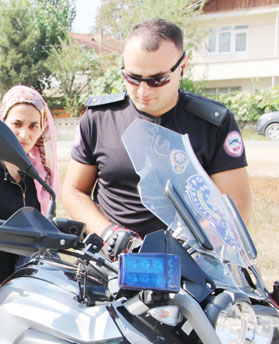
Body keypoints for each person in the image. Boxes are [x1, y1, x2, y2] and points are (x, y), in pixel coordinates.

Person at [62, 18, 253, 258]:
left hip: (189, 264)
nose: (143, 91)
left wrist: (190, 245)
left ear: (182, 65)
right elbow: (73, 191)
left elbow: (236, 205)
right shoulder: (100, 118)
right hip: (111, 260)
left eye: (157, 80)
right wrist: (109, 233)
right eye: (132, 78)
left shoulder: (213, 123)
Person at [0, 85, 59, 284]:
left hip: (26, 282)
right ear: (2, 123)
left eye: (33, 126)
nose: (24, 134)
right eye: (17, 124)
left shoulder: (40, 176)